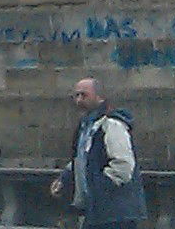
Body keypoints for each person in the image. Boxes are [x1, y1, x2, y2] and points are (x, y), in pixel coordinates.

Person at [49, 75, 145, 227]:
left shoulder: (112, 124)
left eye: (84, 95)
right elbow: (81, 159)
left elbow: (123, 165)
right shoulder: (86, 127)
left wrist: (100, 187)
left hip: (115, 214)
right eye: (76, 95)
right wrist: (65, 179)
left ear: (99, 97)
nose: (79, 100)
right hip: (95, 212)